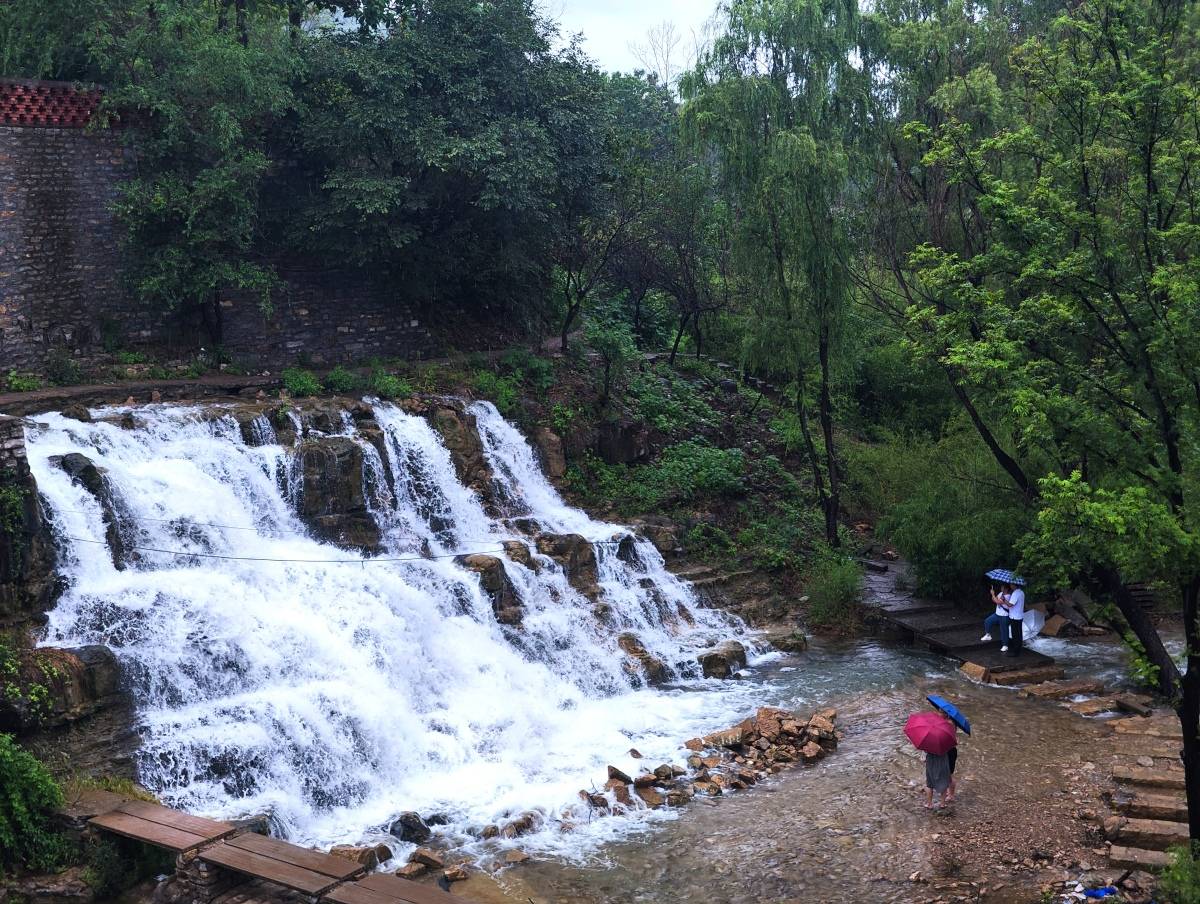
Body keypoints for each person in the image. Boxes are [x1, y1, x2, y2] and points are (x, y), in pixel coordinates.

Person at [1004, 580, 1026, 656]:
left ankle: (1016, 652)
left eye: (1011, 584)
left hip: (1014, 617)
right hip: (1019, 616)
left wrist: (1004, 600)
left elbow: (1010, 604)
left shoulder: (1016, 593)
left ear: (1014, 585)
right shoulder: (1021, 592)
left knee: (1015, 634)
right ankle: (1019, 649)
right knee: (1019, 634)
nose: (1010, 585)